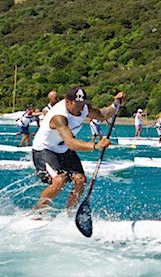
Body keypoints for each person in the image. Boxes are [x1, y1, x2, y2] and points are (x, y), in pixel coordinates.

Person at [31, 86, 126, 214]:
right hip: (45, 149)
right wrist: (95, 146)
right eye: (78, 104)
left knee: (81, 180)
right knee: (59, 180)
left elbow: (102, 115)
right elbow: (70, 142)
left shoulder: (83, 108)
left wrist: (115, 105)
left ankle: (69, 214)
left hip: (62, 149)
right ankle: (37, 212)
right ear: (67, 102)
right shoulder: (59, 117)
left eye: (83, 104)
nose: (82, 108)